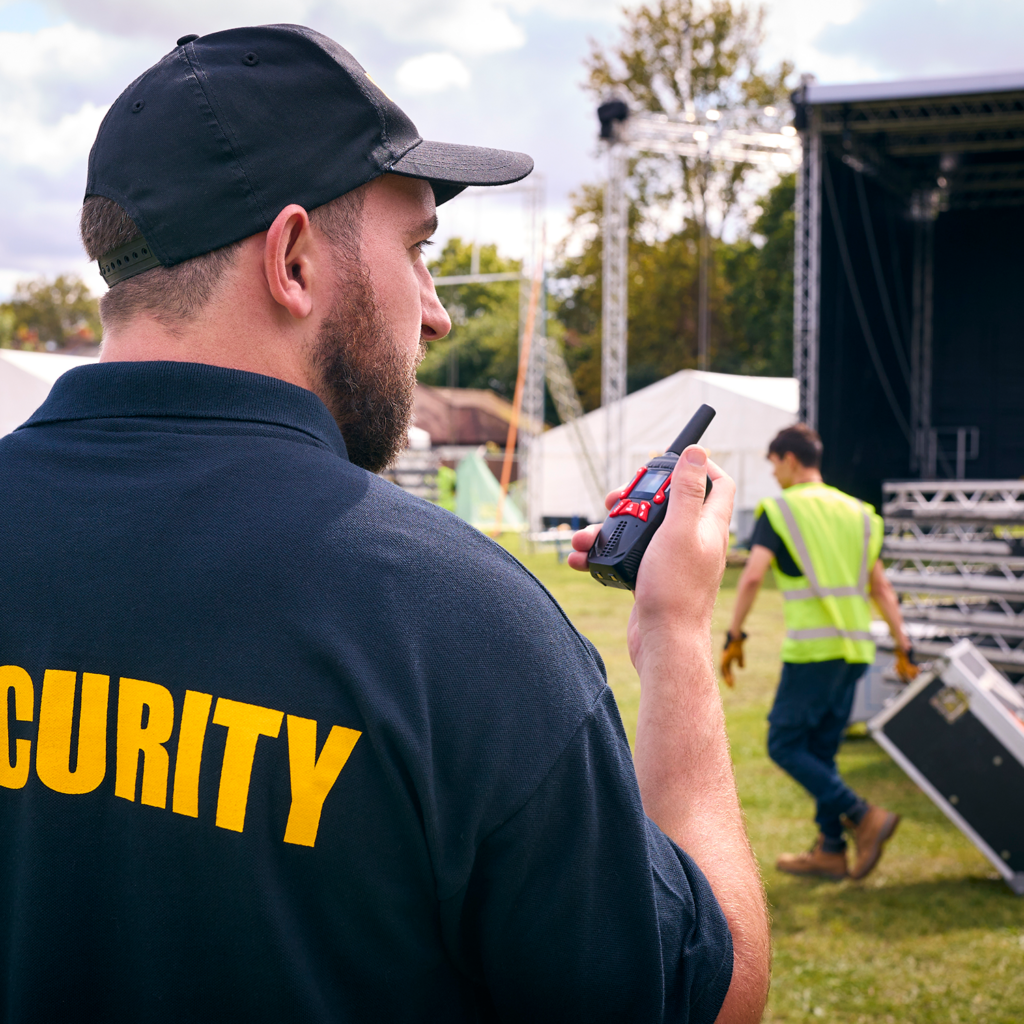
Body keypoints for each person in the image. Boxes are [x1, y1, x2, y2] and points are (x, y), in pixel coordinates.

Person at [0, 25, 769, 1022]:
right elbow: (712, 999)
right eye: (416, 251)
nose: (438, 313)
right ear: (292, 259)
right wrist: (672, 633)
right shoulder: (459, 626)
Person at [721, 423, 915, 881]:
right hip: (856, 652)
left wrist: (733, 634)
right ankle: (831, 849)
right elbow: (881, 587)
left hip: (814, 651)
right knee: (821, 751)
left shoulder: (780, 509)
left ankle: (862, 814)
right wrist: (904, 645)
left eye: (773, 465)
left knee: (784, 744)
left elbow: (751, 576)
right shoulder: (860, 513)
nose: (773, 476)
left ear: (789, 458)